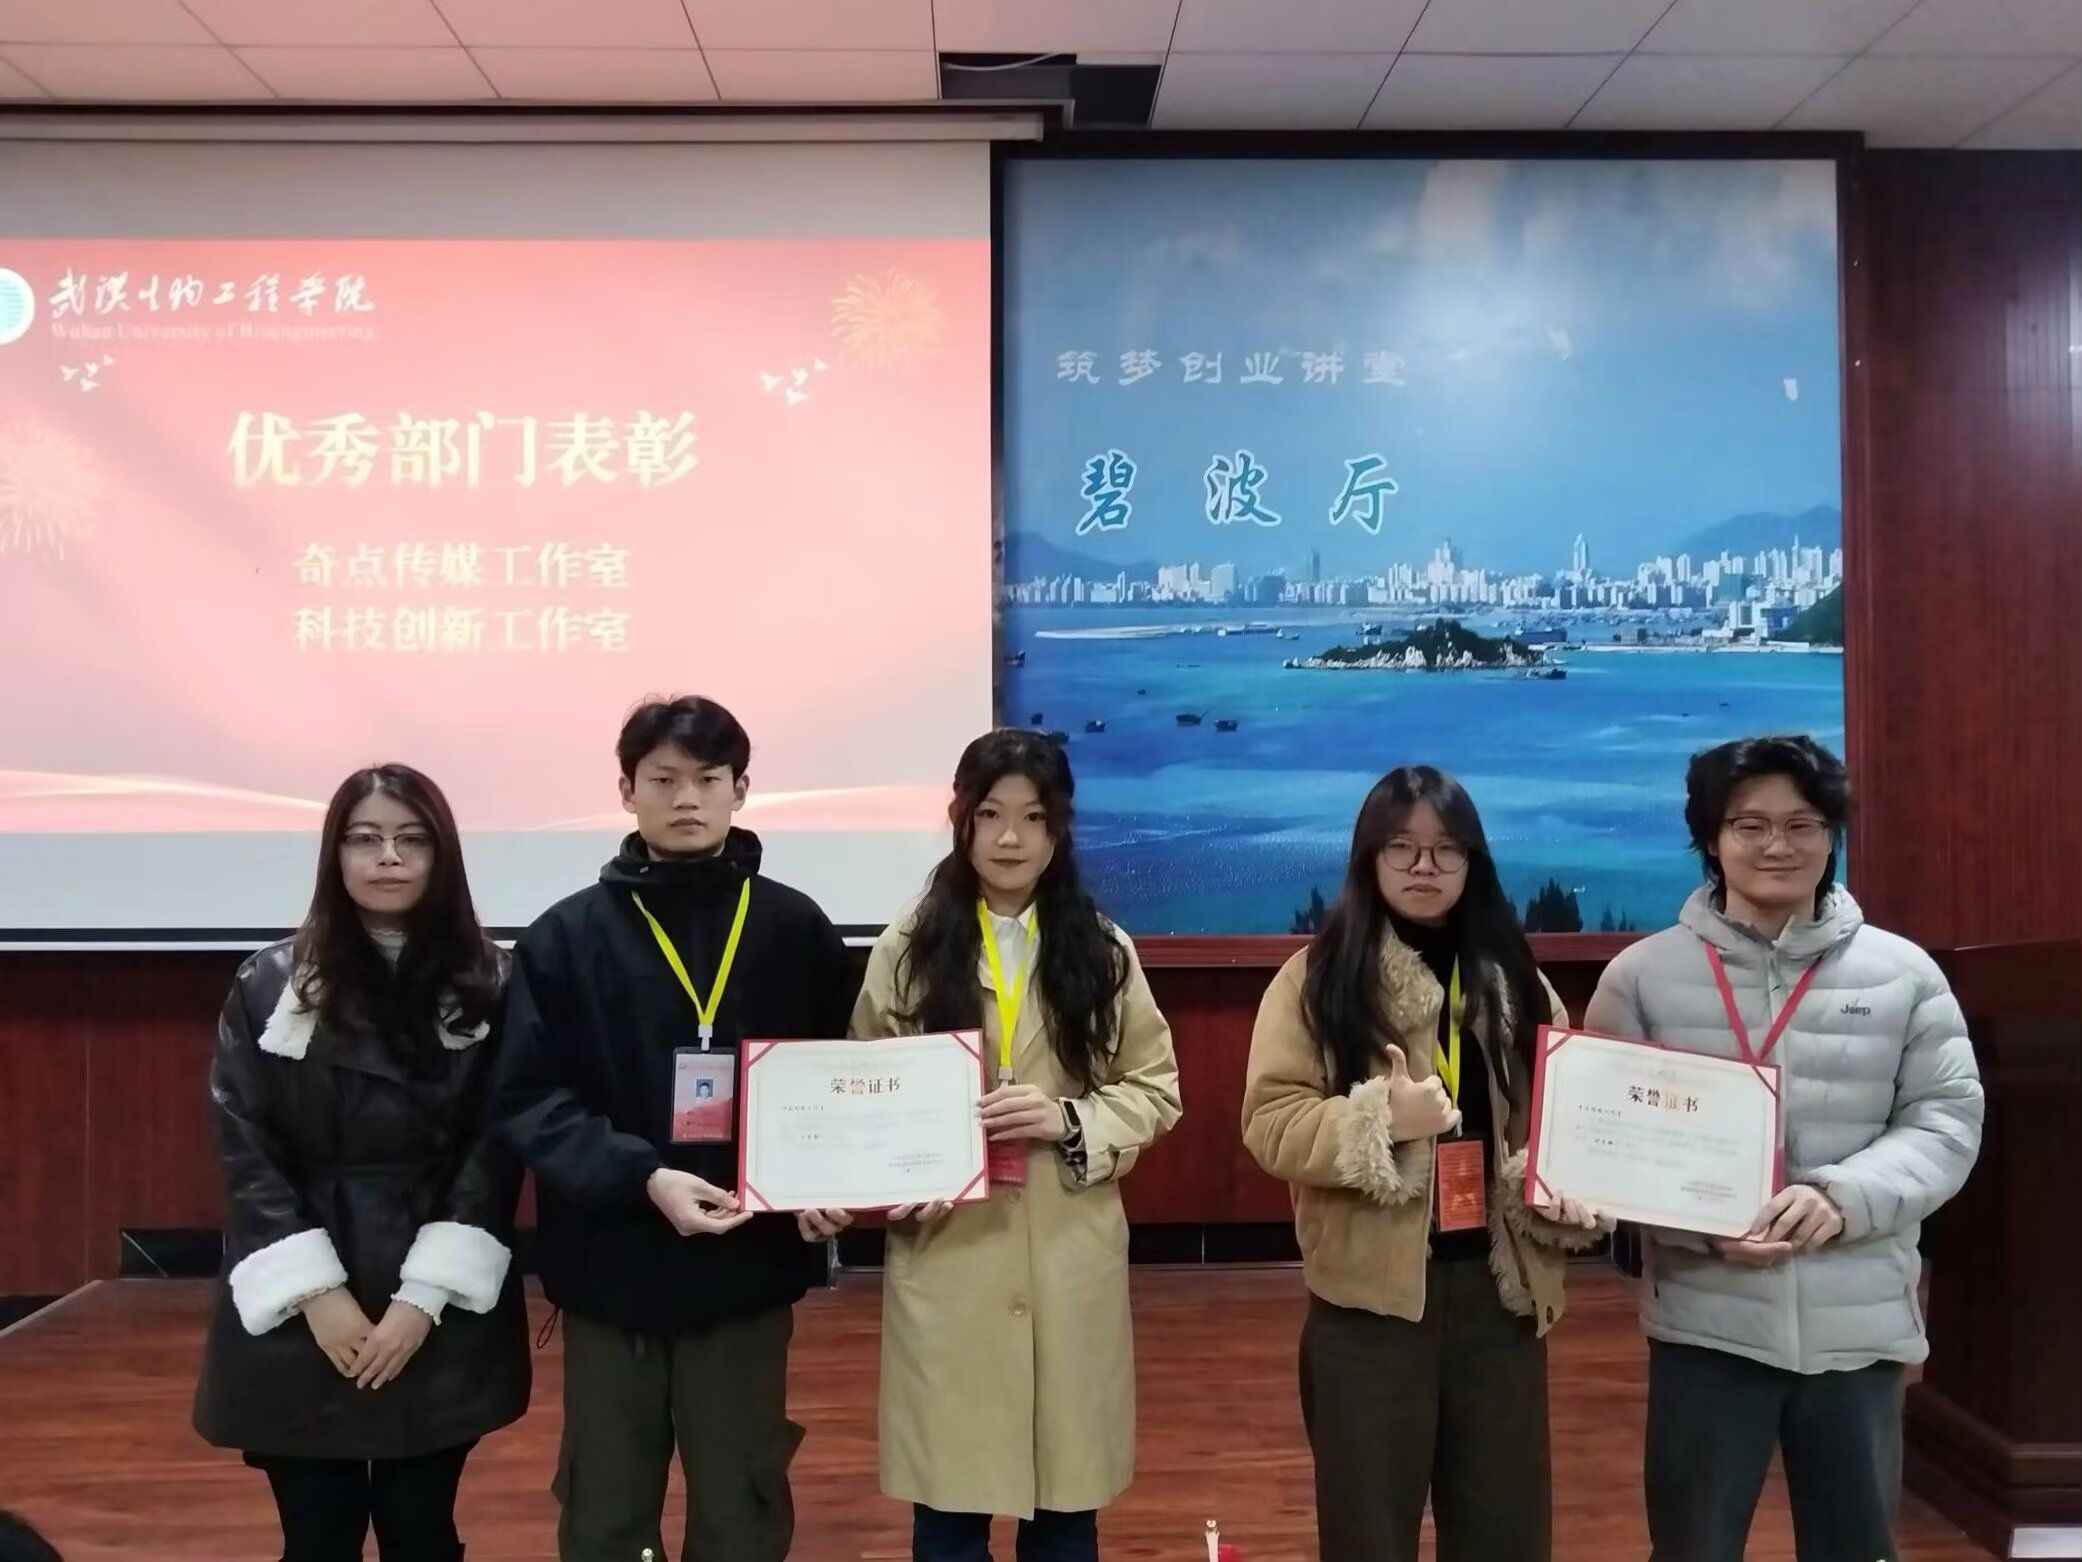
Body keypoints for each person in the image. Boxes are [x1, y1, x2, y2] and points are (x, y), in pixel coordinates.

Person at [1585, 735, 1983, 1562]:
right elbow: (1607, 1146)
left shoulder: (1903, 974)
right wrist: (1703, 1225)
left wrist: (1841, 1198)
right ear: (1711, 838)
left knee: (1856, 1547)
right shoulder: (1640, 978)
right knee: (1692, 1548)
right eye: (1750, 825)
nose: (1778, 845)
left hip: (1857, 1321)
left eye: (1803, 824)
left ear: (1832, 836)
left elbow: (1946, 1120)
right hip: (1706, 1322)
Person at [494, 696, 855, 1562]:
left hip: (746, 1268)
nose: (686, 798)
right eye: (663, 779)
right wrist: (642, 1176)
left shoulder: (795, 928)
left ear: (741, 791)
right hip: (612, 1267)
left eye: (708, 779)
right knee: (606, 1509)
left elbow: (841, 1080)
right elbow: (526, 1098)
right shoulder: (564, 938)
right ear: (627, 792)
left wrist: (828, 1184)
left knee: (742, 1504)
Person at [1242, 765, 1606, 1562]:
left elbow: (1570, 1121)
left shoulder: (1518, 980)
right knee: (1367, 1534)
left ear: (1473, 861)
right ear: (1369, 858)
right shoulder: (1316, 979)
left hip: (1501, 1297)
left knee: (1506, 1533)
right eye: (1401, 847)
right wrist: (1381, 1121)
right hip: (1369, 1305)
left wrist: (1568, 1181)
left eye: (1446, 849)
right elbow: (1270, 1125)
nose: (1423, 866)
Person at [838, 728, 1182, 1562]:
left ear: (1059, 829)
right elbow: (864, 1090)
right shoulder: (909, 947)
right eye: (990, 814)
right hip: (950, 1257)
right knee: (948, 1521)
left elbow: (1155, 1090)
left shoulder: (1102, 949)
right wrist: (892, 1176)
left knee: (1064, 1519)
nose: (1009, 838)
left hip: (1067, 1254)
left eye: (1033, 817)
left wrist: (1069, 1120)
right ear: (961, 820)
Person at [192, 765, 529, 1562]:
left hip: (437, 1296)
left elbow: (495, 1146)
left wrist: (424, 1298)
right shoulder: (269, 982)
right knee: (317, 1537)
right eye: (365, 838)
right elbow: (244, 1147)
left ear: (442, 855)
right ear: (335, 854)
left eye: (412, 840)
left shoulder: (493, 981)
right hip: (303, 1295)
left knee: (421, 1531)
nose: (389, 857)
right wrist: (316, 1294)